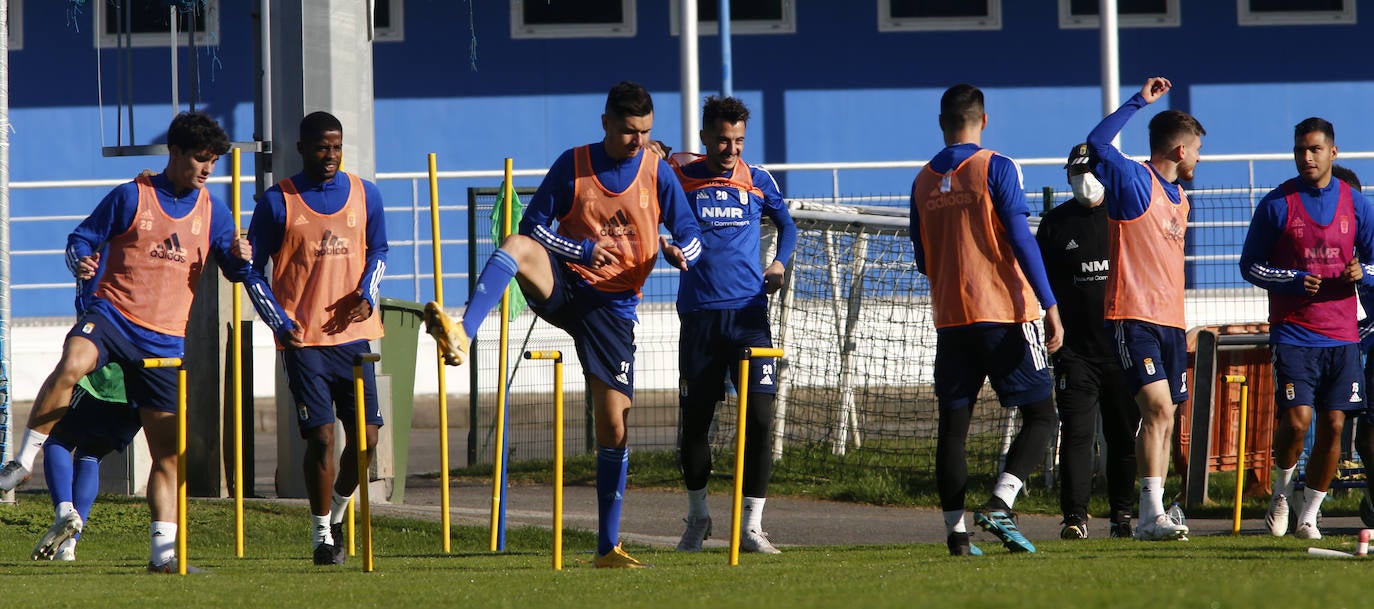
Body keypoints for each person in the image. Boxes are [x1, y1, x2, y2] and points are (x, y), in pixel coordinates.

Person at [426, 81, 703, 568]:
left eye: (645, 132)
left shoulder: (657, 171)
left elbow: (691, 231)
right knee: (515, 243)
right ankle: (463, 330)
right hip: (565, 283)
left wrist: (683, 251)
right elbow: (534, 225)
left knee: (614, 428)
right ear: (605, 124)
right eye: (627, 132)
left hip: (613, 309)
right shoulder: (573, 164)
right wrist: (582, 250)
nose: (637, 141)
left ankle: (606, 548)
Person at [0, 112, 293, 572]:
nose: (207, 169)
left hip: (164, 343)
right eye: (200, 158)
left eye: (213, 161)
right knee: (72, 362)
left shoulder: (214, 210)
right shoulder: (131, 195)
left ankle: (162, 555)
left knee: (169, 454)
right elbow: (81, 238)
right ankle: (22, 461)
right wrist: (79, 260)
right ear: (174, 152)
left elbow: (237, 271)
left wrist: (240, 257)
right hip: (114, 317)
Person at [910, 84, 1063, 556]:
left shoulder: (920, 181)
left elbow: (922, 258)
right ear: (984, 119)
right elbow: (1022, 238)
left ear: (941, 122)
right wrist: (1051, 305)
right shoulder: (996, 165)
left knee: (953, 428)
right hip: (1004, 313)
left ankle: (956, 535)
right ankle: (1001, 502)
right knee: (1042, 415)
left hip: (951, 319)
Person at [247, 111, 388, 565]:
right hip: (303, 341)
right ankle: (321, 534)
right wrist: (276, 319)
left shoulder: (366, 194)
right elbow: (251, 270)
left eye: (337, 147)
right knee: (323, 439)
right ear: (302, 148)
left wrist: (367, 292)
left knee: (366, 442)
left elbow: (380, 251)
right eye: (322, 147)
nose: (330, 155)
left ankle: (341, 511)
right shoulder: (277, 202)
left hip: (354, 339)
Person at [664, 96, 797, 554]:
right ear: (704, 137)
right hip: (700, 319)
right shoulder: (679, 179)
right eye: (723, 139)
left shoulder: (758, 180)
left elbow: (788, 225)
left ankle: (752, 527)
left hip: (749, 318)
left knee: (759, 419)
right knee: (697, 424)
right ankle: (698, 518)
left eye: (739, 140)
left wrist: (778, 264)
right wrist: (666, 244)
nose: (732, 148)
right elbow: (650, 219)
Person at [1241, 119, 1374, 540]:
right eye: (1300, 150)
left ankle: (1310, 515)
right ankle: (1282, 494)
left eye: (1315, 149)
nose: (1307, 157)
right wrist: (1292, 279)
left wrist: (1363, 271)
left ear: (1333, 153)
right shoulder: (1277, 204)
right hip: (1294, 332)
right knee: (1298, 421)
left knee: (1335, 426)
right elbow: (1250, 265)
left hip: (1343, 335)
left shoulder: (1357, 204)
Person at [1085, 76, 1205, 542]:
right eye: (1196, 149)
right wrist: (1140, 101)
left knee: (1166, 416)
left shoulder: (1183, 199)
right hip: (1133, 315)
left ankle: (1151, 511)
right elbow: (1095, 144)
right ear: (1179, 150)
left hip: (1171, 322)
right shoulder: (1136, 180)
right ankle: (1150, 515)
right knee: (1156, 407)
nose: (1199, 158)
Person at [1035, 143, 1140, 540]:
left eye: (1091, 173)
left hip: (1122, 347)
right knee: (1077, 435)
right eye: (1077, 175)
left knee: (1121, 436)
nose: (1085, 182)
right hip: (1075, 352)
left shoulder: (1125, 214)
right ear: (1067, 178)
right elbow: (1039, 281)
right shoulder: (1056, 223)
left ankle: (1122, 516)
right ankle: (1074, 518)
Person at [30, 364, 140, 562]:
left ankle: (65, 512)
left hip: (99, 387)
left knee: (57, 440)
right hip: (136, 399)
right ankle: (68, 546)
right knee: (90, 455)